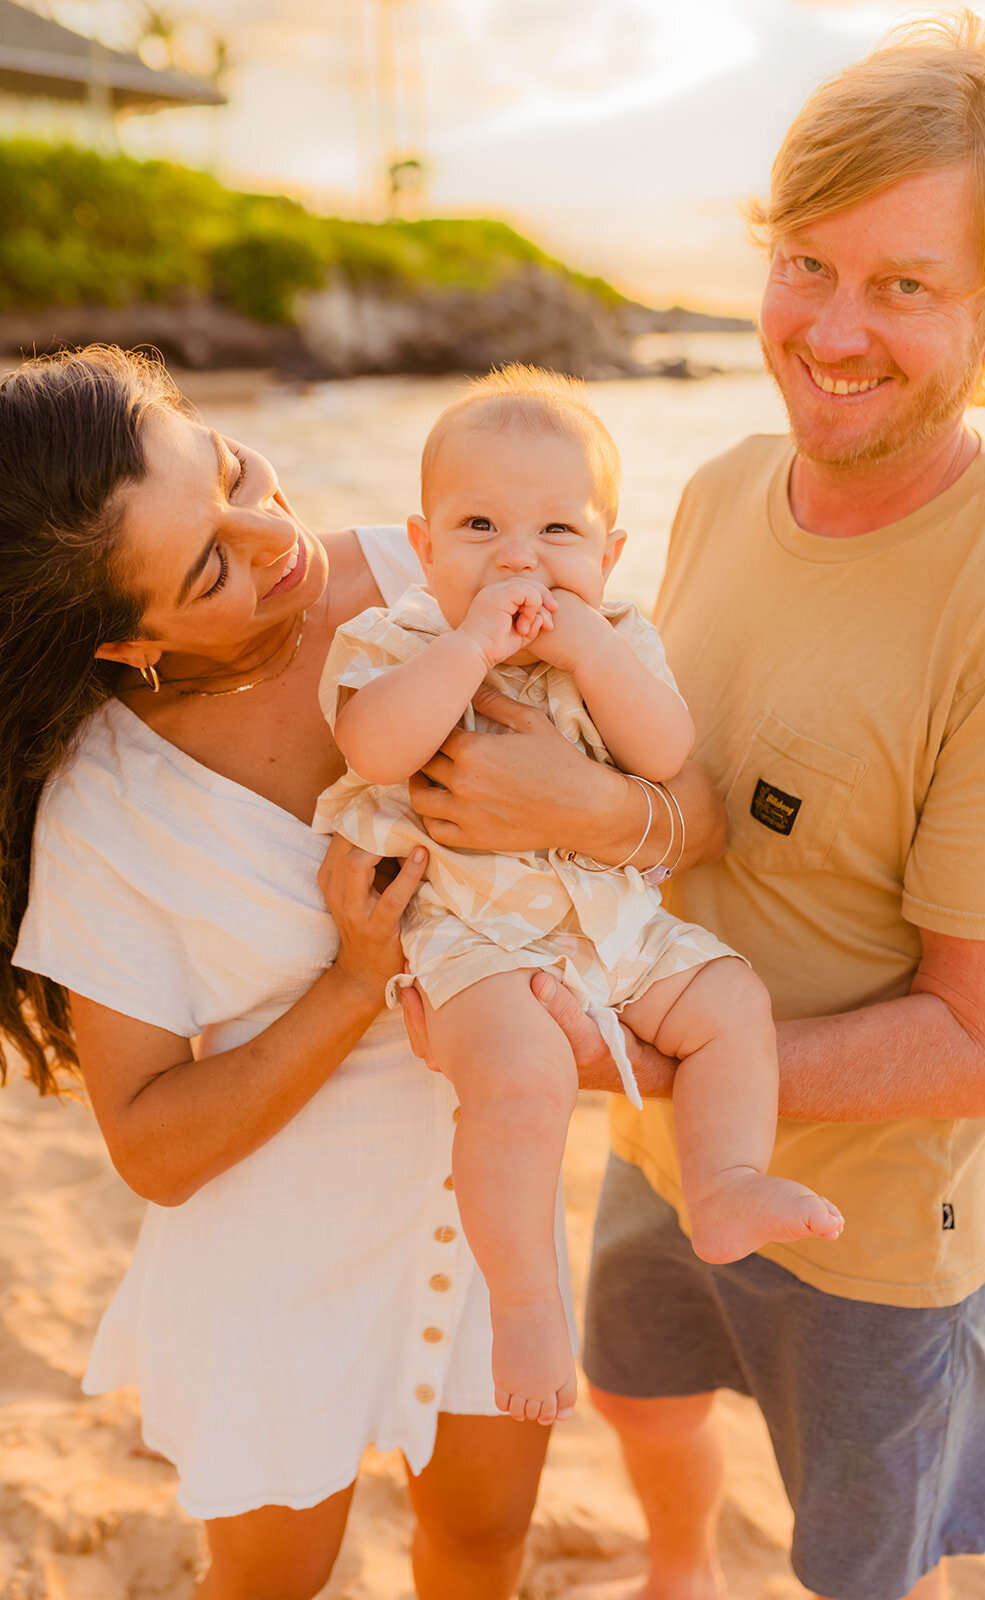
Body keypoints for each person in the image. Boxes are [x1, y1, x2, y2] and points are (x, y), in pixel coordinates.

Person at [0, 345, 724, 1600]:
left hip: (479, 1219)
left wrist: (597, 810)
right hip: (280, 1259)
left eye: (229, 469)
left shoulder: (450, 562)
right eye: (210, 565)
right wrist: (353, 979)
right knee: (279, 1576)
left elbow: (689, 813)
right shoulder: (108, 809)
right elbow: (150, 1148)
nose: (273, 536)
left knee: (485, 1544)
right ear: (125, 645)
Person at [533, 13, 985, 1600]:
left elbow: (979, 1043)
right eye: (804, 266)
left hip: (874, 1229)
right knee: (636, 1392)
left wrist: (645, 1057)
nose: (830, 330)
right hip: (652, 1142)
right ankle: (678, 1572)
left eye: (902, 286)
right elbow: (675, 797)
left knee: (854, 1561)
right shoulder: (709, 492)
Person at [315, 368, 843, 1428]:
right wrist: (469, 648)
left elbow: (663, 752)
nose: (518, 555)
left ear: (608, 556)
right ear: (422, 548)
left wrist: (588, 644)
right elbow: (372, 744)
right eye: (478, 525)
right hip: (471, 938)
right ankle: (522, 1302)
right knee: (519, 1083)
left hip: (609, 924)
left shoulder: (616, 642)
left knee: (730, 999)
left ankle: (726, 1178)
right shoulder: (398, 642)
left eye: (557, 530)